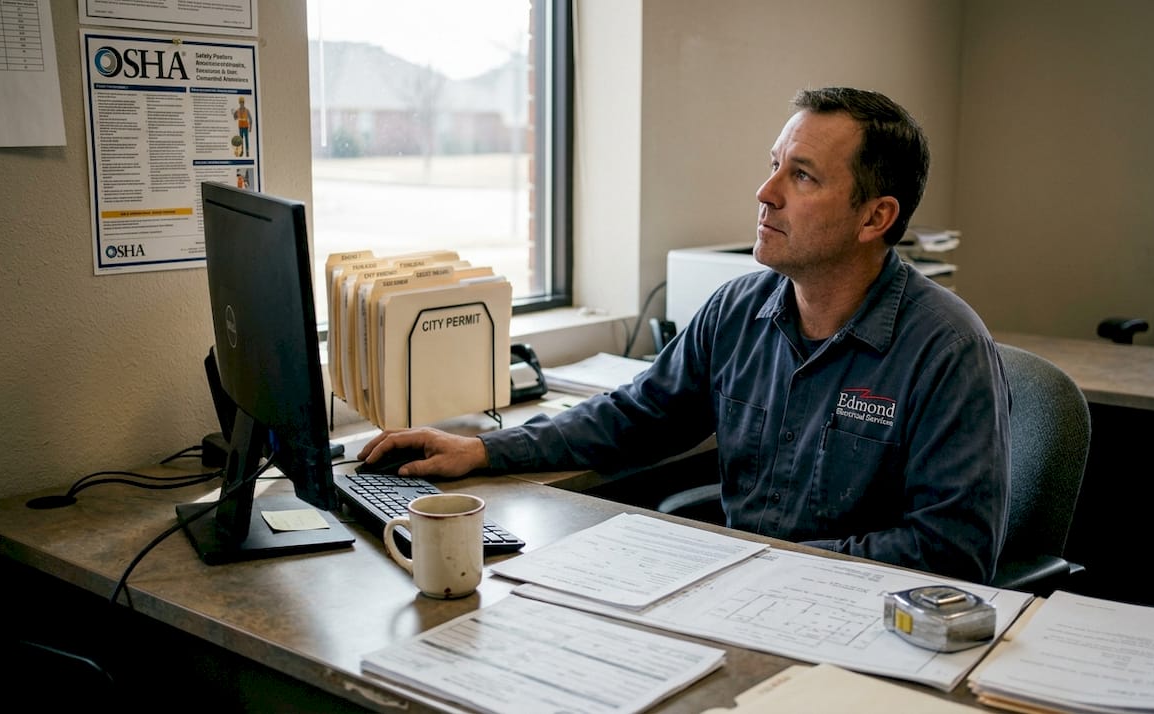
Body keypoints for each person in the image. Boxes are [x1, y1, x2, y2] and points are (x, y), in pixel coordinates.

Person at [359, 87, 1011, 584]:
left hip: (855, 619)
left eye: (802, 176)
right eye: (774, 165)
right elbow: (635, 417)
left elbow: (952, 550)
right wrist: (484, 450)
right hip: (741, 598)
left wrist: (757, 565)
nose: (765, 193)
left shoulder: (945, 350)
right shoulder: (737, 310)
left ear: (876, 217)